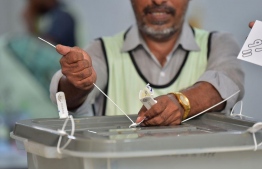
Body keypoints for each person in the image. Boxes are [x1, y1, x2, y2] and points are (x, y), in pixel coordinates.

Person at [50, 0, 244, 126]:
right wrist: (78, 81)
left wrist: (180, 103)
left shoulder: (218, 44)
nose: (158, 1)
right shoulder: (101, 50)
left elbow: (227, 83)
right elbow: (68, 98)